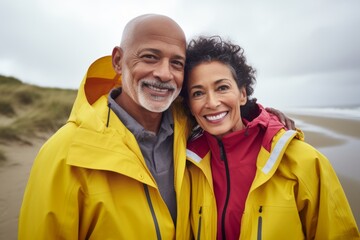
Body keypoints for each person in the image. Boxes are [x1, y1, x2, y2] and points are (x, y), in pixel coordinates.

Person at [18, 14, 295, 239]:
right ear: (118, 60)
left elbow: (225, 113)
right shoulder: (65, 151)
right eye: (150, 57)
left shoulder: (191, 133)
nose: (164, 73)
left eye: (176, 63)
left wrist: (264, 119)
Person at [183, 36, 360, 239]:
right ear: (189, 105)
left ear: (242, 94)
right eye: (198, 93)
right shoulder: (187, 165)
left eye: (222, 87)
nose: (212, 102)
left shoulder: (304, 161)